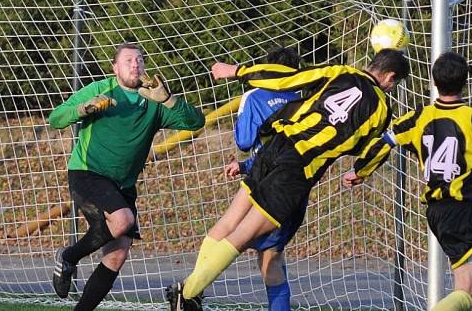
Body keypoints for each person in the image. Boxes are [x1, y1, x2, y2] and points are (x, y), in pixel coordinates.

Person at [167, 48, 410, 310]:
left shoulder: (340, 71)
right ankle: (188, 292)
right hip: (298, 168)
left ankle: (191, 291)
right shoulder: (382, 109)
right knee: (247, 238)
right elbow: (371, 146)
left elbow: (288, 78)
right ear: (390, 77)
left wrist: (237, 72)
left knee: (228, 223)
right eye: (394, 85)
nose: (391, 89)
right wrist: (360, 171)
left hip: (275, 146)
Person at [342, 51, 472, 311]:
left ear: (434, 82)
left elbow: (385, 141)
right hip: (461, 210)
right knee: (468, 294)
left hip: (438, 212)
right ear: (465, 82)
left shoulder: (419, 117)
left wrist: (360, 170)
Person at [48, 43, 205, 311]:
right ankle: (69, 256)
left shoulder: (154, 101)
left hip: (123, 186)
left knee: (117, 253)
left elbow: (195, 122)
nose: (135, 65)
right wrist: (83, 109)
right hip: (88, 172)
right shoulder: (100, 90)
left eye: (140, 60)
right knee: (122, 221)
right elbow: (55, 118)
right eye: (129, 60)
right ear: (115, 68)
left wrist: (168, 99)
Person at [225, 46, 302, 311]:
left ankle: (189, 292)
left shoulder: (255, 97)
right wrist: (246, 166)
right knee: (270, 255)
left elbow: (244, 141)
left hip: (267, 185)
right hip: (298, 185)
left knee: (227, 238)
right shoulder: (307, 96)